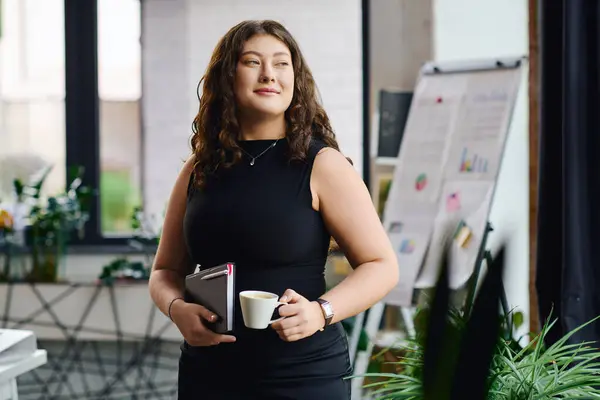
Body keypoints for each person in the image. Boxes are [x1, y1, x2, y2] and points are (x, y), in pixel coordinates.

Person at [148, 19, 399, 399]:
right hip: (209, 374)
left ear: (296, 79)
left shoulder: (323, 165)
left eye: (282, 64)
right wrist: (176, 308)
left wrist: (321, 312)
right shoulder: (199, 169)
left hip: (302, 374)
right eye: (252, 62)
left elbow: (382, 266)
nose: (269, 74)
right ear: (227, 77)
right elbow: (165, 270)